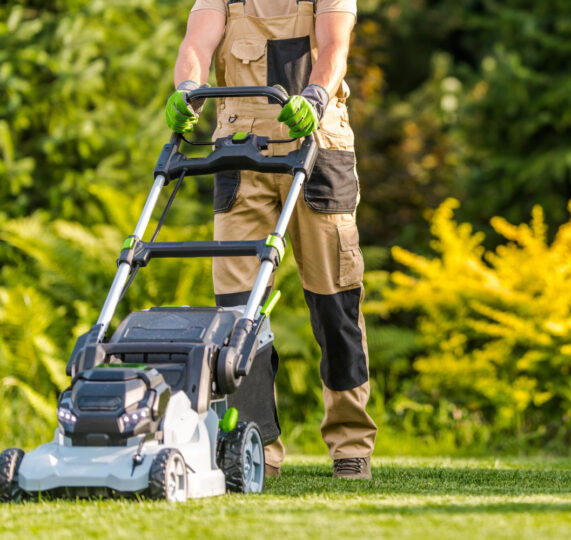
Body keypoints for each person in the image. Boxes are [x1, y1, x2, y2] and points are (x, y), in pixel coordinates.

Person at [165, 0, 377, 479]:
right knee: (238, 313)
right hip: (239, 153)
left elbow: (333, 48)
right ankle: (255, 445)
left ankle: (351, 443)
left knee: (334, 301)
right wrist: (187, 89)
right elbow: (196, 45)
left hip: (317, 148)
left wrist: (317, 95)